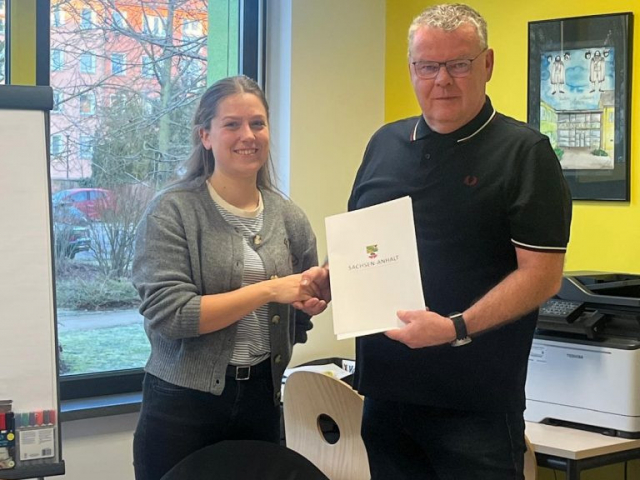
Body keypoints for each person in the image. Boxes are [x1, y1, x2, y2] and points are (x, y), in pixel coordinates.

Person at [301, 4, 572, 479]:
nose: (442, 80)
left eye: (458, 64)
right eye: (428, 66)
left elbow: (542, 276)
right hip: (385, 395)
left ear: (487, 64)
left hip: (474, 408)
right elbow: (362, 240)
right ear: (412, 69)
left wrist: (454, 328)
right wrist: (331, 274)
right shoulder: (384, 144)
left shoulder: (524, 153)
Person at [131, 75, 326, 480]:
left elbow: (298, 310)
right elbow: (172, 315)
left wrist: (310, 299)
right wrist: (269, 290)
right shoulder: (172, 211)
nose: (248, 136)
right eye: (232, 124)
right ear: (205, 135)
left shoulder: (288, 216)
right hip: (181, 406)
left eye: (257, 123)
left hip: (261, 400)